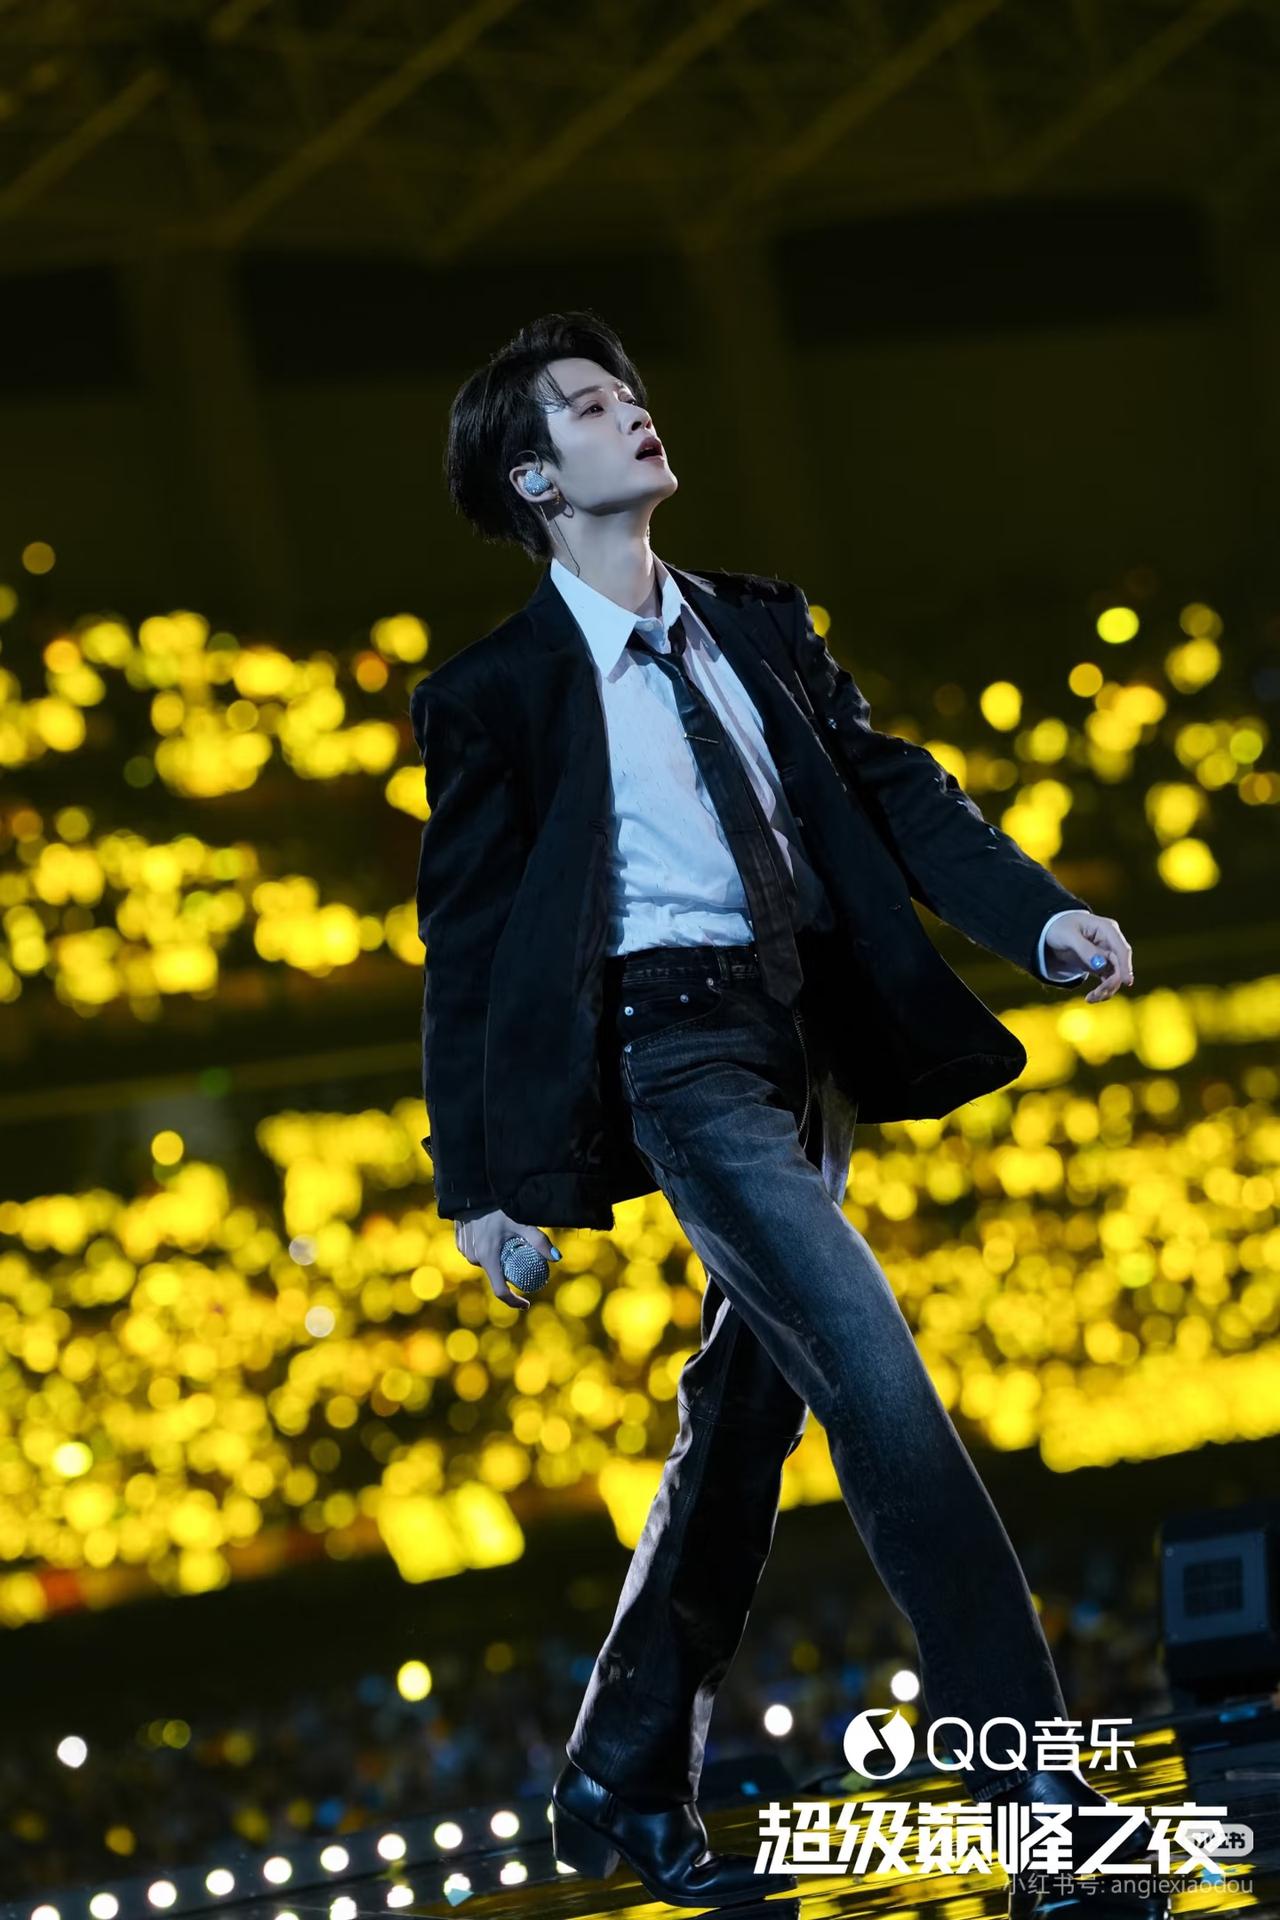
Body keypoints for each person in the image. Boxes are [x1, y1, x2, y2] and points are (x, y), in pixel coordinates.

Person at [415, 311, 1164, 1917]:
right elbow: (466, 950)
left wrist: (1036, 917)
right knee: (883, 1393)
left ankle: (622, 1769)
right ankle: (1042, 1810)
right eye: (592, 406)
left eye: (631, 393)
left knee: (746, 1419)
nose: (637, 414)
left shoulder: (758, 622)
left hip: (808, 1046)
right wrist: (480, 1187)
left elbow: (894, 789)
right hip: (675, 1062)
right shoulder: (495, 695)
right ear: (535, 477)